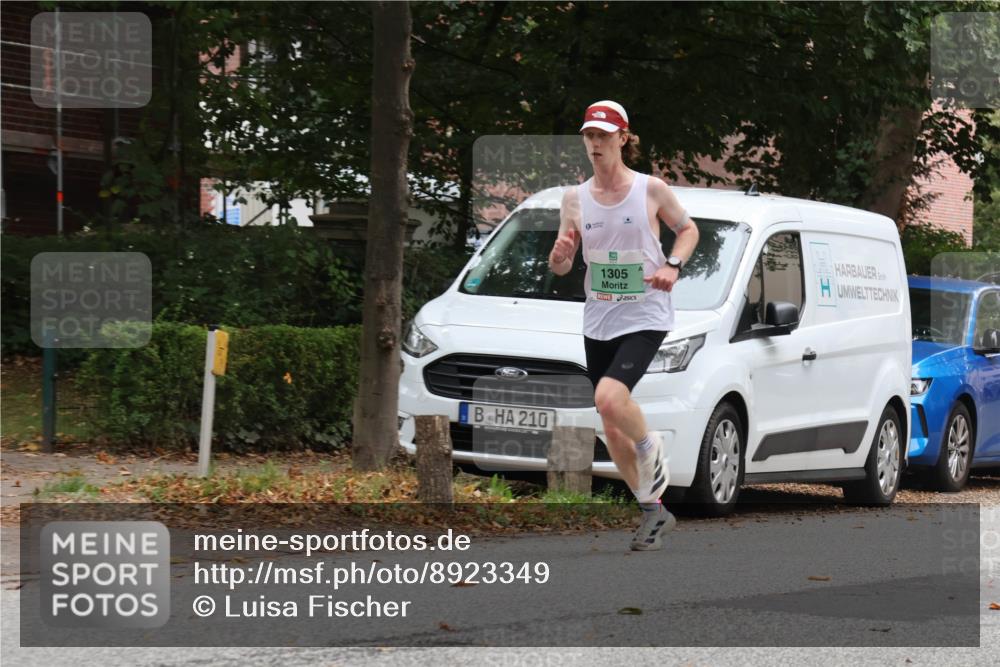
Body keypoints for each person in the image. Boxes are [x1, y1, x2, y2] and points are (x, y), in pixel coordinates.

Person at [548, 100, 699, 551]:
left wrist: (672, 264)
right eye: (589, 136)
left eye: (603, 135)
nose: (595, 144)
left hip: (645, 314)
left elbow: (688, 230)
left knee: (609, 398)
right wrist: (559, 258)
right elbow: (564, 262)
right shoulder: (574, 198)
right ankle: (653, 510)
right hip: (599, 318)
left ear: (623, 138)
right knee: (611, 425)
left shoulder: (650, 189)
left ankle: (649, 445)